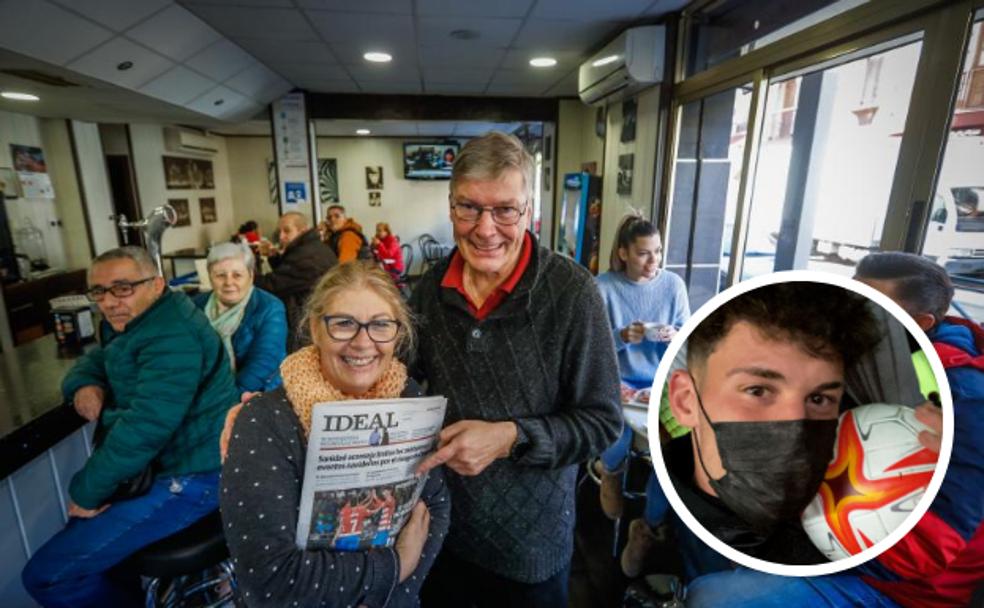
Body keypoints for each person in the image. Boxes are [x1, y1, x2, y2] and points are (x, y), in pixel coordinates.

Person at [411, 131, 622, 607]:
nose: (486, 229)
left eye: (505, 210)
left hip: (531, 550)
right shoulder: (427, 292)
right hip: (439, 534)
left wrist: (510, 437)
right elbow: (389, 379)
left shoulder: (572, 292)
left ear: (529, 211)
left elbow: (604, 421)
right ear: (451, 207)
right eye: (469, 208)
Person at [220, 262, 450, 607]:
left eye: (380, 325)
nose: (362, 343)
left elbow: (436, 506)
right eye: (343, 324)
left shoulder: (409, 396)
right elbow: (271, 580)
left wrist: (393, 594)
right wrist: (395, 566)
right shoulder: (264, 420)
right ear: (315, 328)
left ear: (397, 334)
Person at [21, 246, 240, 608]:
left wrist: (86, 491)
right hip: (163, 468)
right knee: (89, 560)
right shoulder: (138, 320)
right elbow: (98, 359)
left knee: (46, 576)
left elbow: (145, 427)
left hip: (194, 476)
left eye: (123, 288)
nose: (109, 302)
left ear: (156, 284)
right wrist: (83, 383)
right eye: (99, 292)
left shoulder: (172, 335)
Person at [664, 281, 882, 567]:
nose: (795, 429)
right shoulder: (669, 522)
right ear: (685, 402)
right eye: (758, 391)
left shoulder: (859, 507)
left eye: (818, 398)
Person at [593, 212, 691, 577]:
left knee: (675, 451)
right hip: (615, 379)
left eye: (659, 252)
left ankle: (647, 530)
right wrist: (621, 337)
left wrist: (674, 335)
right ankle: (612, 472)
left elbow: (688, 340)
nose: (655, 262)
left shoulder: (674, 286)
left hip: (661, 381)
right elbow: (591, 349)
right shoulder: (602, 288)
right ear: (622, 254)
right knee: (616, 431)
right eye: (644, 254)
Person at [193, 242, 286, 394]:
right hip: (205, 391)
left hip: (257, 393)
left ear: (251, 276)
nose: (229, 282)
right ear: (210, 277)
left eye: (237, 275)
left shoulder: (270, 307)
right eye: (220, 275)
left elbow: (263, 363)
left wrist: (227, 400)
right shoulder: (195, 306)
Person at [255, 211, 337, 352]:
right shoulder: (313, 248)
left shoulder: (306, 257)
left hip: (305, 324)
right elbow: (291, 276)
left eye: (287, 231)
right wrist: (274, 257)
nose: (281, 237)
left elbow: (273, 285)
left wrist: (244, 276)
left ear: (302, 230)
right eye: (279, 231)